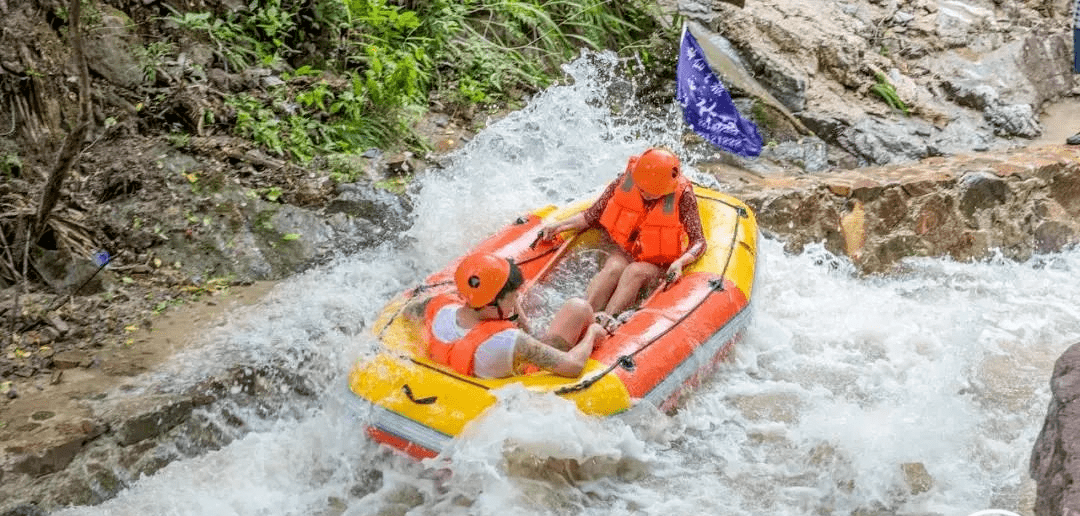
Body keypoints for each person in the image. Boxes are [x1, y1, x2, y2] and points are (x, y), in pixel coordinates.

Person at [535, 147, 706, 326]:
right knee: (615, 267)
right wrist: (558, 226)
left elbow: (699, 241)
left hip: (656, 263)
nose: (645, 195)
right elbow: (591, 216)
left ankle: (604, 324)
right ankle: (578, 320)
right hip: (625, 251)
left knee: (635, 272)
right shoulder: (626, 181)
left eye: (652, 192)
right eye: (642, 189)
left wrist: (680, 263)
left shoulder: (683, 195)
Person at [414, 253, 606, 378]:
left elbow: (407, 311)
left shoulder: (438, 308)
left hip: (468, 371)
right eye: (513, 296)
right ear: (493, 302)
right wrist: (592, 333)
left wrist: (519, 317)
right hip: (528, 374)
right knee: (578, 308)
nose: (517, 299)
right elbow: (573, 366)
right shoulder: (509, 340)